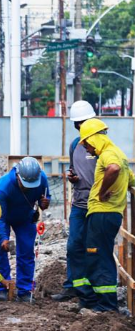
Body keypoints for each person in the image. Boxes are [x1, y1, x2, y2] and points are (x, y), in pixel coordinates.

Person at [75, 118, 135, 312]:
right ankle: (99, 301)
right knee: (99, 254)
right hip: (110, 214)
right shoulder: (119, 154)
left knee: (97, 256)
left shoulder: (109, 155)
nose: (87, 149)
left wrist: (101, 192)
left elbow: (114, 169)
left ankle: (106, 305)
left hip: (103, 213)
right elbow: (131, 179)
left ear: (94, 139)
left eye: (86, 144)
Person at [52, 100, 97, 302]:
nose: (81, 127)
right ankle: (73, 285)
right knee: (73, 246)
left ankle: (92, 290)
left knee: (93, 248)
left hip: (97, 205)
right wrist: (73, 177)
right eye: (78, 124)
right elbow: (74, 168)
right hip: (79, 204)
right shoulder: (75, 145)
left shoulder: (101, 145)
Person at [0, 157, 51, 301]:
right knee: (0, 250)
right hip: (3, 216)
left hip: (25, 217)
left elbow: (45, 199)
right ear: (18, 176)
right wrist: (3, 238)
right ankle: (1, 288)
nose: (29, 188)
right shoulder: (4, 186)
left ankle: (25, 290)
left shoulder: (41, 178)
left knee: (27, 251)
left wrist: (45, 203)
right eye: (25, 185)